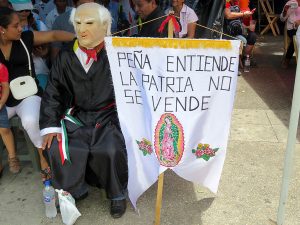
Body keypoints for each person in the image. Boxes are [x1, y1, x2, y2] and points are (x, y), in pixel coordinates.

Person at [40, 3, 128, 218]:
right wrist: (51, 125)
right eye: (77, 23)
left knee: (110, 148)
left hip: (108, 115)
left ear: (105, 26)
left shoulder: (118, 54)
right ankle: (76, 188)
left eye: (89, 23)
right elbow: (53, 92)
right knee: (56, 147)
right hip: (76, 115)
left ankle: (117, 194)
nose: (81, 29)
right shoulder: (65, 56)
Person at [0, 6, 74, 182]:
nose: (20, 28)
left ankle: (44, 158)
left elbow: (54, 35)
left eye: (20, 25)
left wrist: (79, 37)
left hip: (28, 94)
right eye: (15, 26)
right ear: (2, 29)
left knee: (31, 120)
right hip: (3, 99)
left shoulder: (25, 38)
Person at [0, 63, 20, 174]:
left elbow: (5, 87)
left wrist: (2, 102)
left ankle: (12, 157)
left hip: (0, 104)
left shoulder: (1, 68)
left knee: (4, 129)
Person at [280, 0, 300, 68]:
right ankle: (287, 59)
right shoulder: (291, 3)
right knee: (295, 39)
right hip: (292, 29)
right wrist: (285, 11)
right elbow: (282, 19)